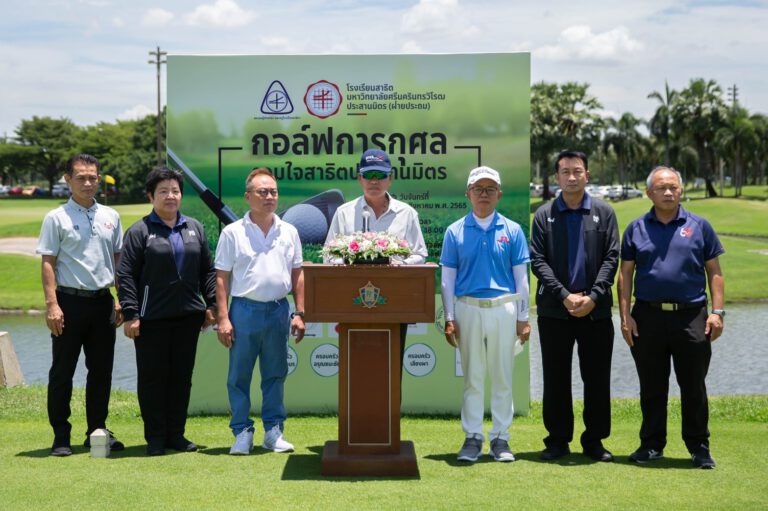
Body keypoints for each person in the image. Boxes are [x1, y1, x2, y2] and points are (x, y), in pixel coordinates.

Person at [618, 166, 725, 469]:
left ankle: (699, 447)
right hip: (647, 317)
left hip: (691, 316)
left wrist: (717, 313)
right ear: (649, 192)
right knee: (652, 386)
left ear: (681, 190)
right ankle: (652, 445)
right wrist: (625, 317)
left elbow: (714, 273)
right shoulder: (636, 228)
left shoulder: (699, 226)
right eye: (661, 187)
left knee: (693, 385)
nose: (668, 192)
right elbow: (625, 276)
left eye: (673, 187)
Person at [117, 167, 217, 456]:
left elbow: (207, 271)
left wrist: (210, 305)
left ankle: (176, 434)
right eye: (163, 191)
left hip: (188, 317)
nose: (170, 196)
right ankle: (156, 438)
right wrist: (131, 313)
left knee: (181, 377)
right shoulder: (139, 231)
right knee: (152, 378)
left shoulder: (194, 228)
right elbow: (125, 275)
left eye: (175, 190)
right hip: (151, 320)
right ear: (151, 196)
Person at [530, 149, 619, 462]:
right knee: (555, 378)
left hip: (595, 310)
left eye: (577, 171)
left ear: (587, 175)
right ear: (556, 176)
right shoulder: (544, 214)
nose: (571, 176)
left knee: (596, 378)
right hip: (556, 310)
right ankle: (557, 440)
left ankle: (594, 441)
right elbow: (537, 261)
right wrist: (564, 295)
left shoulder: (604, 213)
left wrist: (593, 296)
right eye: (565, 171)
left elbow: (611, 258)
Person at [439, 166, 531, 463]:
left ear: (499, 195)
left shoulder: (513, 230)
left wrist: (523, 317)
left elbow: (521, 279)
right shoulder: (454, 231)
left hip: (503, 307)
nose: (484, 194)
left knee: (502, 376)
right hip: (467, 308)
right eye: (478, 189)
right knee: (473, 377)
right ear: (468, 194)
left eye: (490, 189)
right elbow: (447, 280)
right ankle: (473, 437)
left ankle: (501, 438)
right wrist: (449, 317)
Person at [36, 153, 125, 457]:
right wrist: (51, 305)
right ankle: (61, 435)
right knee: (62, 371)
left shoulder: (111, 216)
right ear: (68, 180)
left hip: (103, 304)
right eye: (81, 177)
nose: (87, 183)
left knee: (101, 372)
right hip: (68, 304)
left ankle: (96, 431)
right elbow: (48, 262)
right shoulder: (56, 217)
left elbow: (117, 260)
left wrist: (120, 298)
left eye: (92, 177)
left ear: (99, 179)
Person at [215, 167, 306, 455]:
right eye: (262, 192)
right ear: (248, 196)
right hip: (243, 310)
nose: (269, 196)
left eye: (273, 192)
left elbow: (298, 273)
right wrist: (223, 317)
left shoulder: (289, 230)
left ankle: (273, 432)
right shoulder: (232, 232)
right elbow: (221, 277)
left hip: (279, 310)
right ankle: (242, 432)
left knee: (275, 373)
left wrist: (300, 312)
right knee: (239, 376)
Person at [324, 149, 428, 378]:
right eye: (368, 174)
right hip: (352, 302)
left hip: (395, 302)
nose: (374, 180)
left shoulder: (407, 213)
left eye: (380, 175)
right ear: (359, 177)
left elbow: (420, 254)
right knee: (356, 371)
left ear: (390, 177)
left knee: (390, 370)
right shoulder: (344, 213)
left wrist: (399, 266)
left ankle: (389, 414)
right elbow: (328, 255)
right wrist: (348, 265)